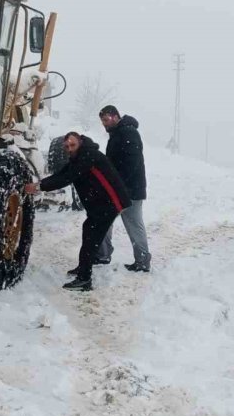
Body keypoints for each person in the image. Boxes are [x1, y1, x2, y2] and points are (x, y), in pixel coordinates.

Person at [25, 132, 131, 291]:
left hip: (109, 204)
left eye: (72, 145)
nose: (69, 149)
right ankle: (83, 269)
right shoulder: (79, 156)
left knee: (90, 238)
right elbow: (62, 173)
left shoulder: (88, 155)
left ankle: (84, 279)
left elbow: (67, 177)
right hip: (100, 204)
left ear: (80, 142)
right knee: (88, 232)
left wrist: (39, 187)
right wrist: (41, 183)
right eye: (67, 146)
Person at [95, 105, 151, 271]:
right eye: (102, 121)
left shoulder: (128, 133)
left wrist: (119, 185)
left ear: (115, 116)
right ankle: (102, 255)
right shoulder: (119, 133)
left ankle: (142, 260)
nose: (104, 124)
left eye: (106, 120)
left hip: (130, 190)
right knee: (104, 219)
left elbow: (130, 164)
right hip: (119, 189)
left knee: (134, 225)